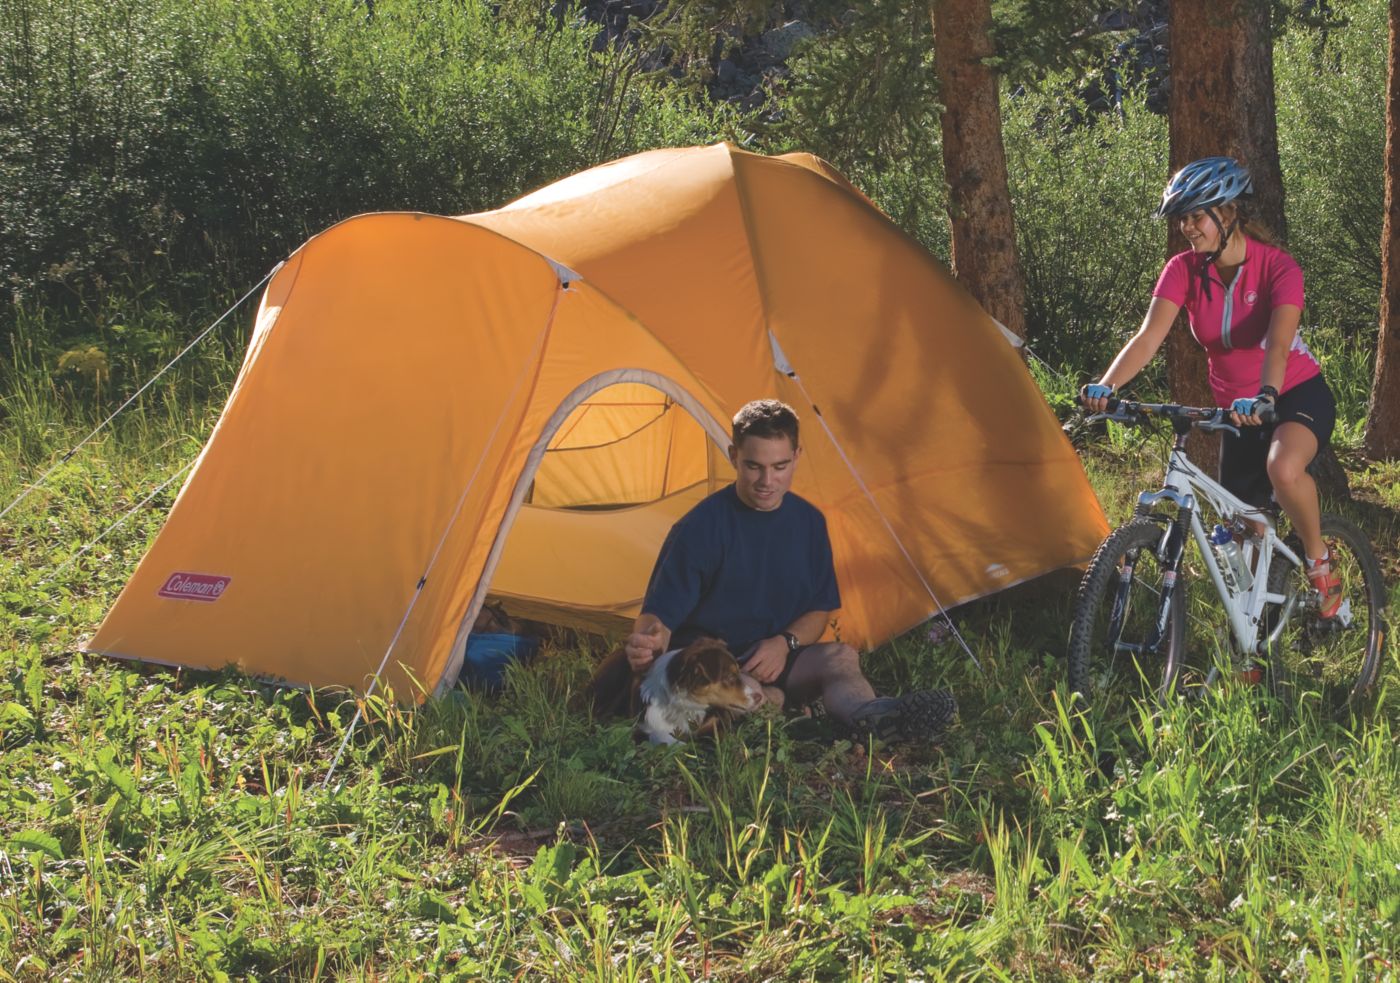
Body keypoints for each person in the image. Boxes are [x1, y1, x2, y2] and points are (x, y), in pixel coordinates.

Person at [1080, 156, 1342, 616]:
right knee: (1245, 536)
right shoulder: (1182, 270)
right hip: (1234, 410)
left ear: (1228, 213)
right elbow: (1147, 339)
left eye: (1196, 215)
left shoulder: (1279, 268)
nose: (1187, 227)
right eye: (1183, 217)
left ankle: (1319, 559)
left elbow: (1278, 346)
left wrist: (1267, 397)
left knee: (1282, 470)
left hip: (1294, 393)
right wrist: (1106, 387)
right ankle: (1253, 643)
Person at [623, 399, 957, 742]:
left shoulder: (810, 523)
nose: (767, 481)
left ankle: (872, 717)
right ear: (733, 455)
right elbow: (657, 619)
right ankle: (788, 711)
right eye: (754, 466)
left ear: (797, 455)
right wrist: (648, 642)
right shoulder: (699, 529)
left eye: (780, 466)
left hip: (782, 657)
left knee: (841, 656)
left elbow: (818, 610)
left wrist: (784, 643)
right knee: (748, 690)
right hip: (719, 667)